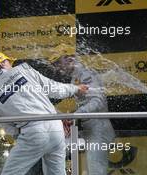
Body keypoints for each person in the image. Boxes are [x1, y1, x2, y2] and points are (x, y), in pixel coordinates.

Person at [0, 52, 89, 175]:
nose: (11, 65)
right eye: (9, 62)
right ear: (2, 63)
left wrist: (29, 138)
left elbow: (10, 129)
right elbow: (52, 88)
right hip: (56, 128)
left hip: (32, 133)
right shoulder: (23, 69)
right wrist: (75, 89)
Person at [49, 44, 115, 175]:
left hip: (99, 131)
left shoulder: (86, 74)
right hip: (89, 130)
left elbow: (98, 100)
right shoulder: (76, 77)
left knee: (96, 172)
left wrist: (75, 115)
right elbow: (87, 103)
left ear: (69, 59)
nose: (57, 68)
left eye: (58, 62)